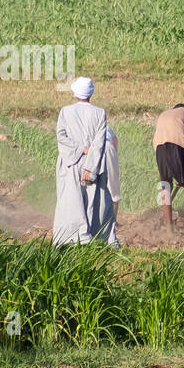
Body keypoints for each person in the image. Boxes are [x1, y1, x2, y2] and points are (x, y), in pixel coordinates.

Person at [52, 76, 111, 246]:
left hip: (71, 162)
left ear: (75, 92)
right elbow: (99, 143)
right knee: (95, 202)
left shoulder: (65, 111)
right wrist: (91, 167)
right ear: (91, 93)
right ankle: (97, 238)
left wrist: (78, 150)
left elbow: (61, 137)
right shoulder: (100, 113)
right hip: (93, 161)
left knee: (71, 201)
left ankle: (68, 240)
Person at [153, 103, 184, 236]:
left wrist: (175, 172)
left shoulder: (166, 114)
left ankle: (169, 229)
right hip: (177, 144)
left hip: (158, 147)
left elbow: (162, 142)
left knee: (165, 186)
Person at [100, 125, 121, 248]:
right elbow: (114, 141)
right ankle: (113, 220)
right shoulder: (107, 128)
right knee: (113, 186)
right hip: (108, 148)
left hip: (92, 148)